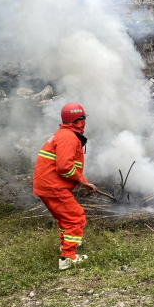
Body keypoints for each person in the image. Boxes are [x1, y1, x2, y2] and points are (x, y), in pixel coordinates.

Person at [33, 103, 97, 271]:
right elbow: (64, 168)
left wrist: (84, 182)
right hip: (53, 186)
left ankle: (66, 246)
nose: (84, 122)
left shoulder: (62, 134)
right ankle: (67, 258)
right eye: (83, 119)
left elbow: (69, 166)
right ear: (78, 120)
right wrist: (81, 181)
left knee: (65, 219)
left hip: (47, 184)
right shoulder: (69, 138)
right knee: (76, 218)